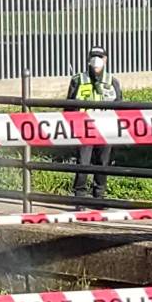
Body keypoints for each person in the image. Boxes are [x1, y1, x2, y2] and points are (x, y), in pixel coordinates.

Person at [62, 46, 118, 210]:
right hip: (84, 128)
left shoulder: (112, 81)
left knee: (103, 163)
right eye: (94, 56)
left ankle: (99, 196)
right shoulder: (79, 80)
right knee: (83, 163)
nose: (96, 60)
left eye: (100, 57)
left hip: (106, 128)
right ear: (88, 59)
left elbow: (119, 105)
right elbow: (69, 106)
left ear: (105, 59)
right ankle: (80, 199)